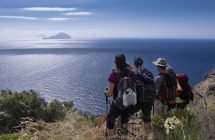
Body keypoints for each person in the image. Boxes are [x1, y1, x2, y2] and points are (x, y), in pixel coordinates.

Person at [104, 53, 135, 137]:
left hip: (117, 104)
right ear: (125, 61)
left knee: (110, 121)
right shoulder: (131, 74)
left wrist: (105, 92)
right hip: (128, 102)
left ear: (115, 63)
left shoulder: (113, 75)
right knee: (124, 122)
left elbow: (110, 93)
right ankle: (124, 137)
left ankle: (111, 137)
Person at [131, 56, 155, 135]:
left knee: (126, 114)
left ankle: (124, 133)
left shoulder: (133, 73)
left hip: (139, 100)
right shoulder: (149, 73)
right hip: (149, 100)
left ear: (134, 64)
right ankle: (148, 135)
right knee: (147, 119)